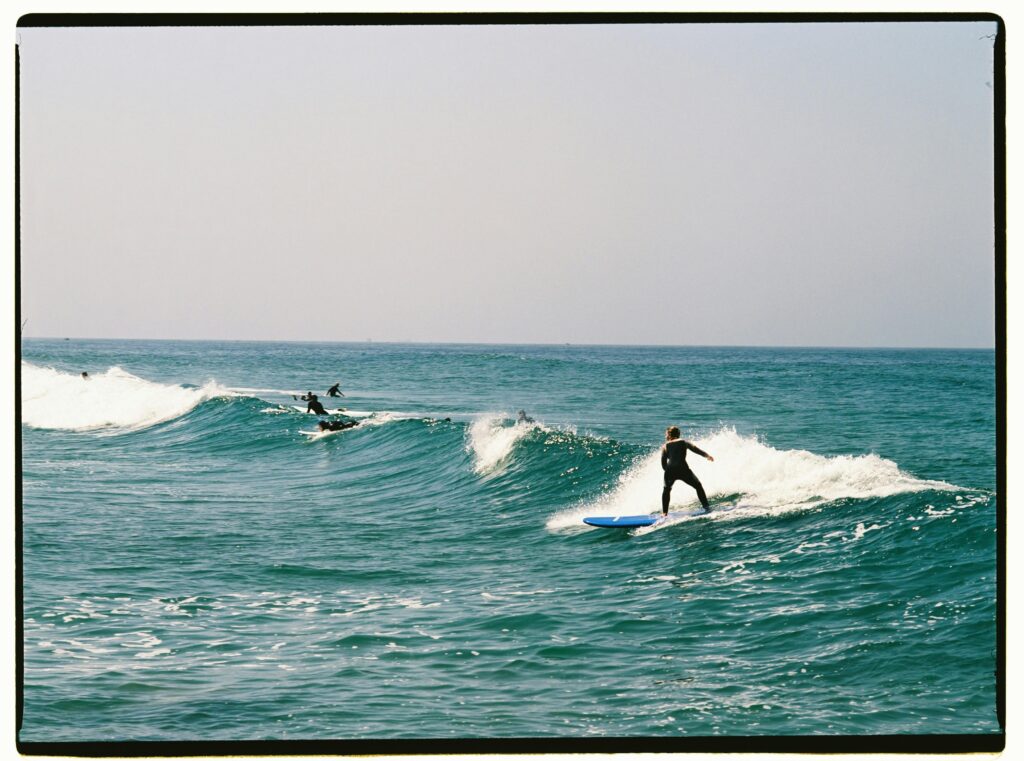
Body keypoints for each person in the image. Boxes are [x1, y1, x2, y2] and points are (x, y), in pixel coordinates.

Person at [660, 425, 714, 516]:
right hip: (683, 469)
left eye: (666, 434)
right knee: (698, 486)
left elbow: (663, 463)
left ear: (669, 435)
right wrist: (707, 456)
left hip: (670, 470)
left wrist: (669, 472)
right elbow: (696, 450)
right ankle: (707, 507)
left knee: (666, 490)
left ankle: (664, 513)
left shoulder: (665, 446)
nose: (665, 436)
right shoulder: (684, 442)